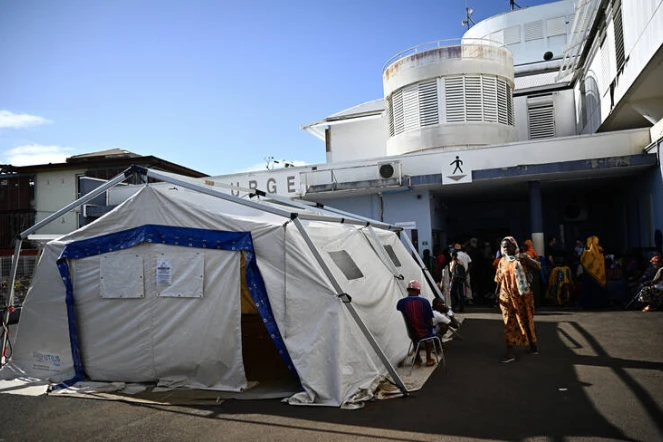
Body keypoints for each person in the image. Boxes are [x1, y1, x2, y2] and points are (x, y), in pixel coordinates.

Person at [495, 236, 538, 363]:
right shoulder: (502, 261)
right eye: (504, 246)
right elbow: (499, 278)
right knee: (508, 323)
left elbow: (538, 267)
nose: (506, 248)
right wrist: (497, 292)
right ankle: (511, 353)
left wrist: (526, 259)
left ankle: (533, 345)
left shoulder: (522, 258)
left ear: (514, 246)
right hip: (506, 297)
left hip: (522, 298)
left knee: (526, 320)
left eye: (508, 246)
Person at [396, 280, 436, 366]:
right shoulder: (424, 302)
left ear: (408, 290)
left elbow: (399, 310)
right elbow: (430, 319)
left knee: (415, 334)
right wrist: (431, 328)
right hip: (424, 331)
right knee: (429, 333)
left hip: (411, 332)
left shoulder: (401, 302)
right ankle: (428, 358)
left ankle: (418, 358)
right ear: (418, 291)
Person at [579, 235, 607, 309]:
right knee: (598, 290)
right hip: (599, 277)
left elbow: (582, 261)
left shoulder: (586, 253)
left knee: (588, 290)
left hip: (588, 276)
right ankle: (599, 304)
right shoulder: (600, 252)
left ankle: (588, 305)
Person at [520, 239, 543, 307]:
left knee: (531, 287)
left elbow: (528, 263)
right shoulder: (534, 252)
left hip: (530, 273)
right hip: (535, 272)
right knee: (536, 287)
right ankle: (537, 302)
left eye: (525, 245)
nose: (524, 247)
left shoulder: (528, 253)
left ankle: (532, 303)